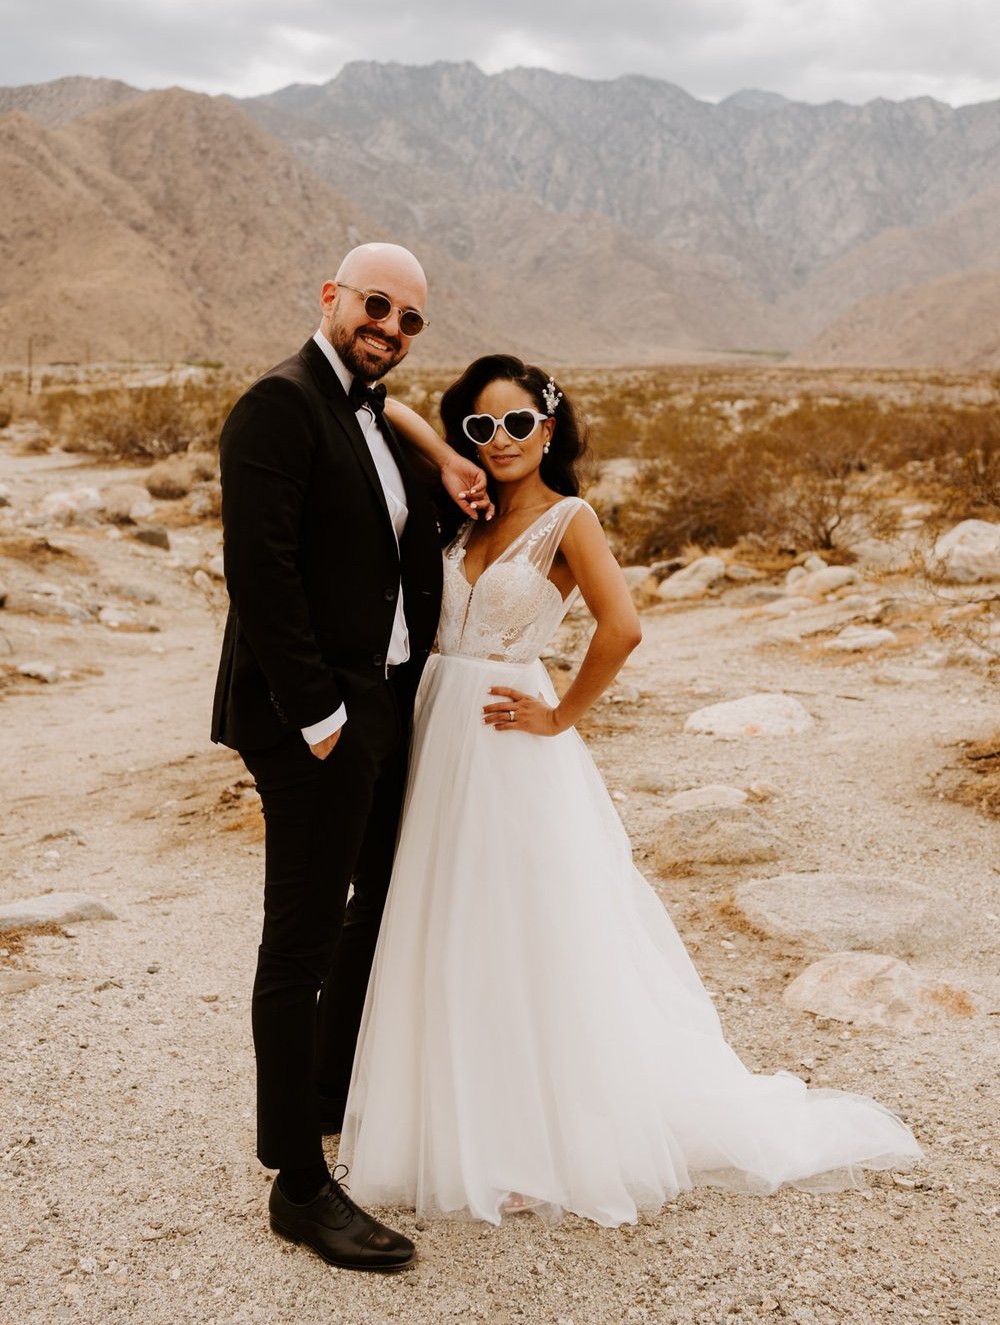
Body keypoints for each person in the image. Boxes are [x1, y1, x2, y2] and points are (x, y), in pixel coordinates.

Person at [337, 353, 923, 1226]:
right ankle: (444, 1114)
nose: (499, 441)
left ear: (549, 427)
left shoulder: (568, 518)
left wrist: (560, 714)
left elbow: (624, 626)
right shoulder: (469, 508)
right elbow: (392, 415)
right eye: (480, 427)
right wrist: (445, 449)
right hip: (438, 731)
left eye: (517, 424)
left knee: (519, 930)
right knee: (442, 919)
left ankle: (532, 1136)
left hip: (508, 745)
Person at [211, 243, 489, 1271]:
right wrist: (322, 717)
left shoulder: (368, 410)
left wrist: (444, 455)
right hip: (313, 721)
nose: (390, 328)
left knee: (371, 907)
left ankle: (329, 1103)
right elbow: (261, 573)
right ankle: (297, 1181)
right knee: (299, 941)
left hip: (379, 705)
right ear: (330, 296)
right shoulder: (277, 407)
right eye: (377, 305)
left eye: (411, 319)